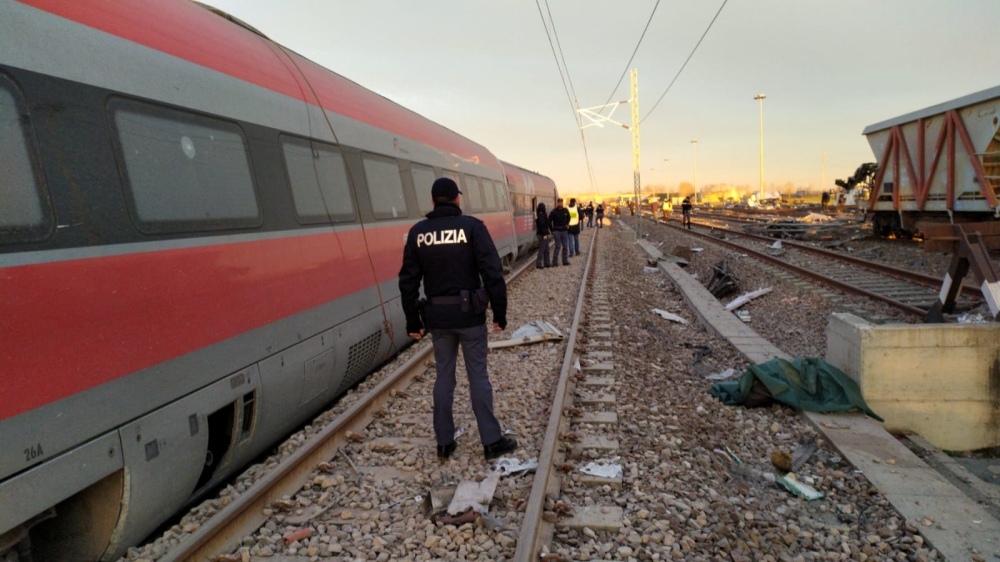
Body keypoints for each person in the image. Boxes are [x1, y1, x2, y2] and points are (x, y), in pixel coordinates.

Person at [398, 178, 517, 461]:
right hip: (470, 317)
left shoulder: (418, 232)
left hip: (438, 319)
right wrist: (499, 314)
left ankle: (444, 442)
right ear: (456, 199)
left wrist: (413, 321)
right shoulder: (472, 228)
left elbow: (408, 282)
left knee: (443, 378)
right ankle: (491, 441)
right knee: (478, 376)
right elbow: (492, 273)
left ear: (432, 201)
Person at [549, 198, 570, 266]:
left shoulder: (565, 210)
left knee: (565, 246)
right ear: (557, 203)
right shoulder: (554, 211)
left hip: (564, 230)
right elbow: (549, 221)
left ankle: (565, 261)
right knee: (558, 246)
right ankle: (555, 262)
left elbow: (569, 218)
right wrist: (552, 230)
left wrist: (567, 224)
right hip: (557, 230)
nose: (560, 203)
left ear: (562, 203)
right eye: (559, 202)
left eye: (561, 202)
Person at [535, 202, 551, 269]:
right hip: (542, 234)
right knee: (542, 249)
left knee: (546, 248)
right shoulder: (541, 215)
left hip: (543, 234)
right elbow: (542, 225)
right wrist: (544, 234)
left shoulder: (540, 215)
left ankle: (547, 263)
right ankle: (539, 264)